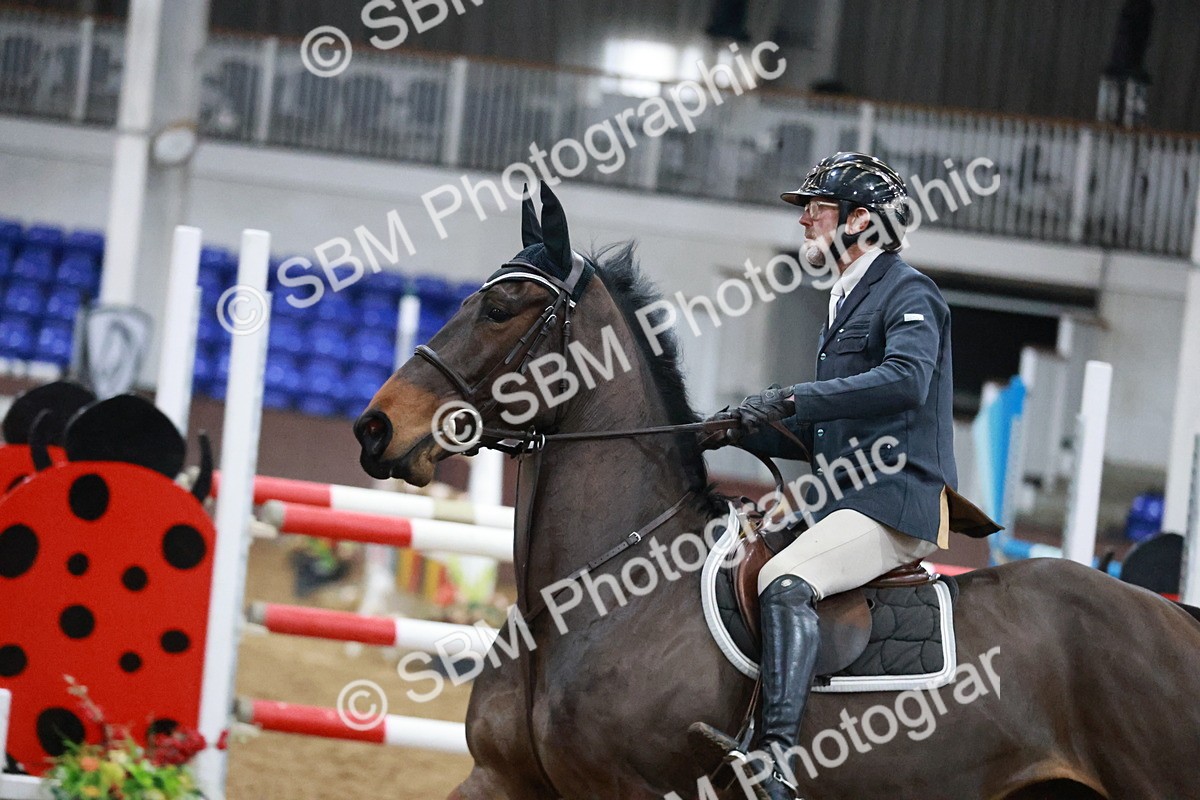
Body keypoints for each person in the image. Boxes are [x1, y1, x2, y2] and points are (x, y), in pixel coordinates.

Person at [693, 152, 991, 800]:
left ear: (861, 220)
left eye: (817, 208)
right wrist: (743, 425)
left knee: (784, 580)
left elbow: (906, 383)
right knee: (739, 557)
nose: (803, 220)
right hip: (848, 495)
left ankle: (774, 763)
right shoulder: (844, 300)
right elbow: (836, 430)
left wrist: (793, 396)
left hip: (896, 500)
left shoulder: (909, 292)